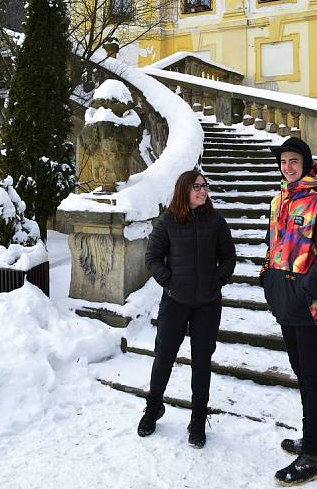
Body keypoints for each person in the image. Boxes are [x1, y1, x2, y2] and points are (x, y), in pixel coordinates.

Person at [260, 137, 317, 486]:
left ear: (306, 164)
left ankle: (312, 456)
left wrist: (301, 294)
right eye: (284, 161)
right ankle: (313, 441)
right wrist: (268, 280)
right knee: (300, 372)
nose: (288, 167)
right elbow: (272, 245)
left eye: (294, 161)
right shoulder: (279, 199)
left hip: (310, 307)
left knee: (312, 375)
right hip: (287, 303)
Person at [137, 168, 236, 447]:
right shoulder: (168, 221)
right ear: (184, 190)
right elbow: (153, 256)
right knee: (164, 357)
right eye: (197, 187)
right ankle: (152, 408)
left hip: (207, 304)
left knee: (202, 363)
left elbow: (228, 258)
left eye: (205, 186)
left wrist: (215, 282)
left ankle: (197, 421)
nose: (203, 191)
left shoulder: (216, 221)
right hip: (175, 302)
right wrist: (168, 282)